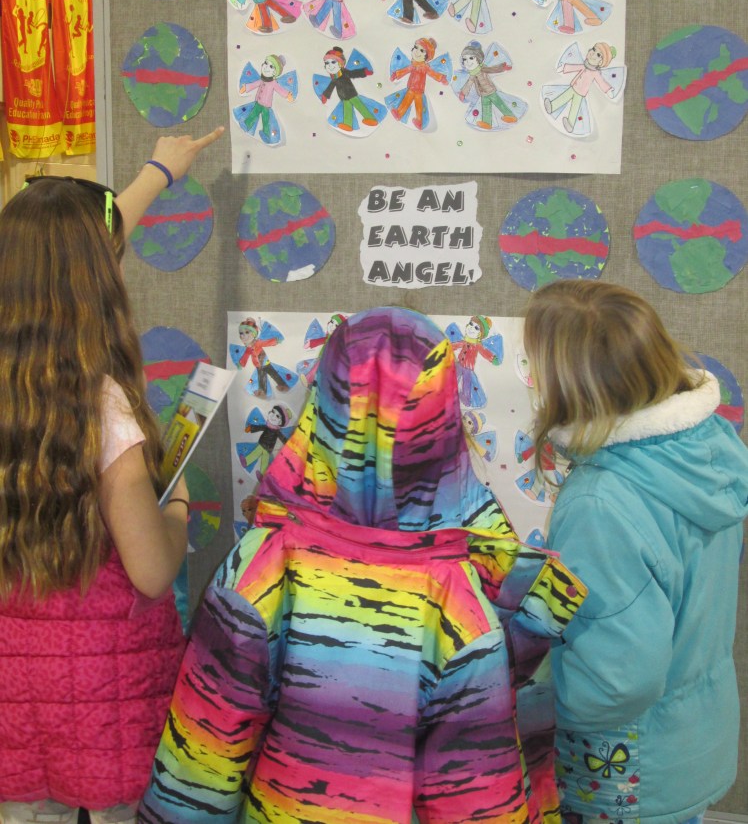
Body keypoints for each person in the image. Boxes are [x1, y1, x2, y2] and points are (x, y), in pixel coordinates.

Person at [140, 306, 586, 823]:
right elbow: (475, 792)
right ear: (441, 416)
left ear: (322, 411)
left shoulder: (259, 567)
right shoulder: (467, 588)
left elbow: (201, 757)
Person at [0, 127, 224, 824]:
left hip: (15, 691)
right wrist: (178, 501)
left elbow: (66, 242)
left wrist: (159, 168)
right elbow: (153, 569)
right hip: (107, 695)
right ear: (98, 278)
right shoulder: (104, 408)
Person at [522, 280, 748, 824]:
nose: (528, 378)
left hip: (625, 769)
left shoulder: (601, 502)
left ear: (571, 382)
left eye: (534, 365)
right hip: (691, 740)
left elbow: (619, 681)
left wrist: (528, 706)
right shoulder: (709, 446)